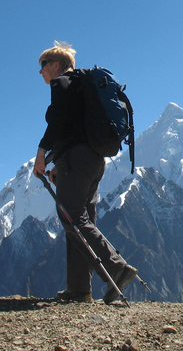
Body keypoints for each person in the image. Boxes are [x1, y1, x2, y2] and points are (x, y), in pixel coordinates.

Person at [32, 41, 137, 303]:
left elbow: (57, 123)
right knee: (80, 219)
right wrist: (60, 164)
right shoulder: (81, 87)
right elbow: (74, 130)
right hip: (94, 161)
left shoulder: (62, 84)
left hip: (76, 162)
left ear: (56, 65)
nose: (41, 72)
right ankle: (79, 289)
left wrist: (42, 153)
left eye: (43, 65)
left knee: (71, 217)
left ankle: (116, 267)